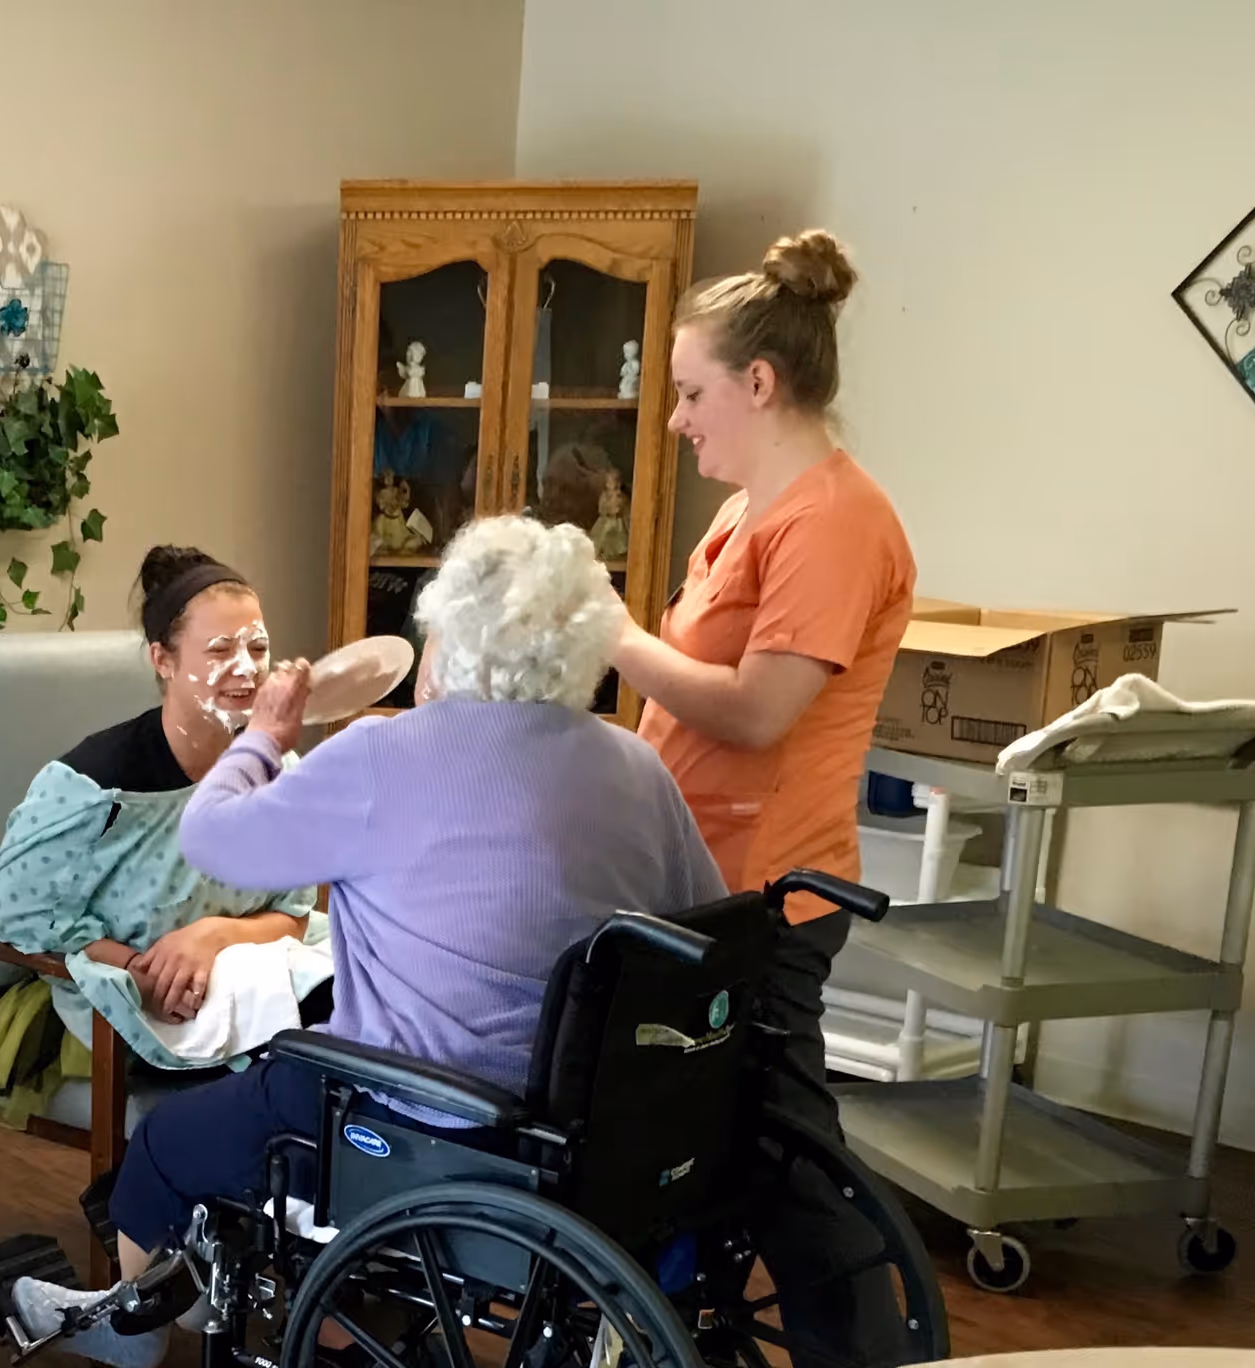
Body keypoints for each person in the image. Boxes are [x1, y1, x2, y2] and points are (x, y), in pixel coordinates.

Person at [10, 516, 726, 1367]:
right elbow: (705, 928)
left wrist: (266, 736)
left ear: (447, 633)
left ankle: (126, 1332)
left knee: (169, 1144)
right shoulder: (636, 766)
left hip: (427, 1113)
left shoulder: (384, 756)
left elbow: (209, 836)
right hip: (596, 1130)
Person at [606, 230, 917, 1367]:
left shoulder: (834, 523)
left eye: (691, 393)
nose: (675, 419)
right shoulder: (745, 513)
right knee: (705, 1143)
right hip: (702, 882)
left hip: (770, 892)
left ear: (760, 383)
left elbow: (753, 711)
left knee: (791, 1162)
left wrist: (611, 634)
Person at [0, 545, 326, 1082]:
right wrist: (145, 973)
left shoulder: (278, 771)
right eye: (219, 650)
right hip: (129, 1004)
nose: (246, 668)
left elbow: (294, 913)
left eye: (258, 648)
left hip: (254, 973)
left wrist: (211, 936)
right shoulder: (94, 789)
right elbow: (21, 917)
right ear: (163, 659)